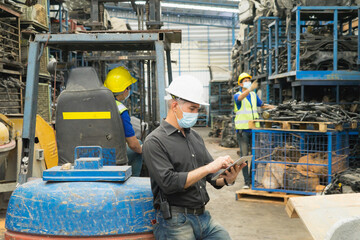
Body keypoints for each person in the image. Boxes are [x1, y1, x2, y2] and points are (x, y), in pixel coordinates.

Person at [143, 75, 246, 240]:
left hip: (202, 216)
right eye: (192, 109)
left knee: (222, 236)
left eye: (198, 109)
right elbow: (169, 183)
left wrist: (227, 178)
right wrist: (208, 168)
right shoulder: (155, 141)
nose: (196, 114)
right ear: (175, 105)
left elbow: (212, 176)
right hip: (175, 220)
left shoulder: (194, 136)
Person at [234, 72, 275, 189]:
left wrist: (271, 107)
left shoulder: (253, 95)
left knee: (255, 155)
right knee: (244, 156)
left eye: (249, 80)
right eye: (245, 81)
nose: (248, 82)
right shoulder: (237, 95)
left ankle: (252, 179)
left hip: (254, 129)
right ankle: (246, 182)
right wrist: (250, 89)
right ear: (241, 84)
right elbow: (241, 97)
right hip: (243, 130)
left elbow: (261, 105)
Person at [104, 66, 143, 176]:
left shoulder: (96, 104)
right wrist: (142, 150)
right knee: (138, 145)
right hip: (112, 156)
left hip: (93, 153)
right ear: (125, 90)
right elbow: (133, 144)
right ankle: (134, 180)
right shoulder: (120, 109)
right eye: (129, 88)